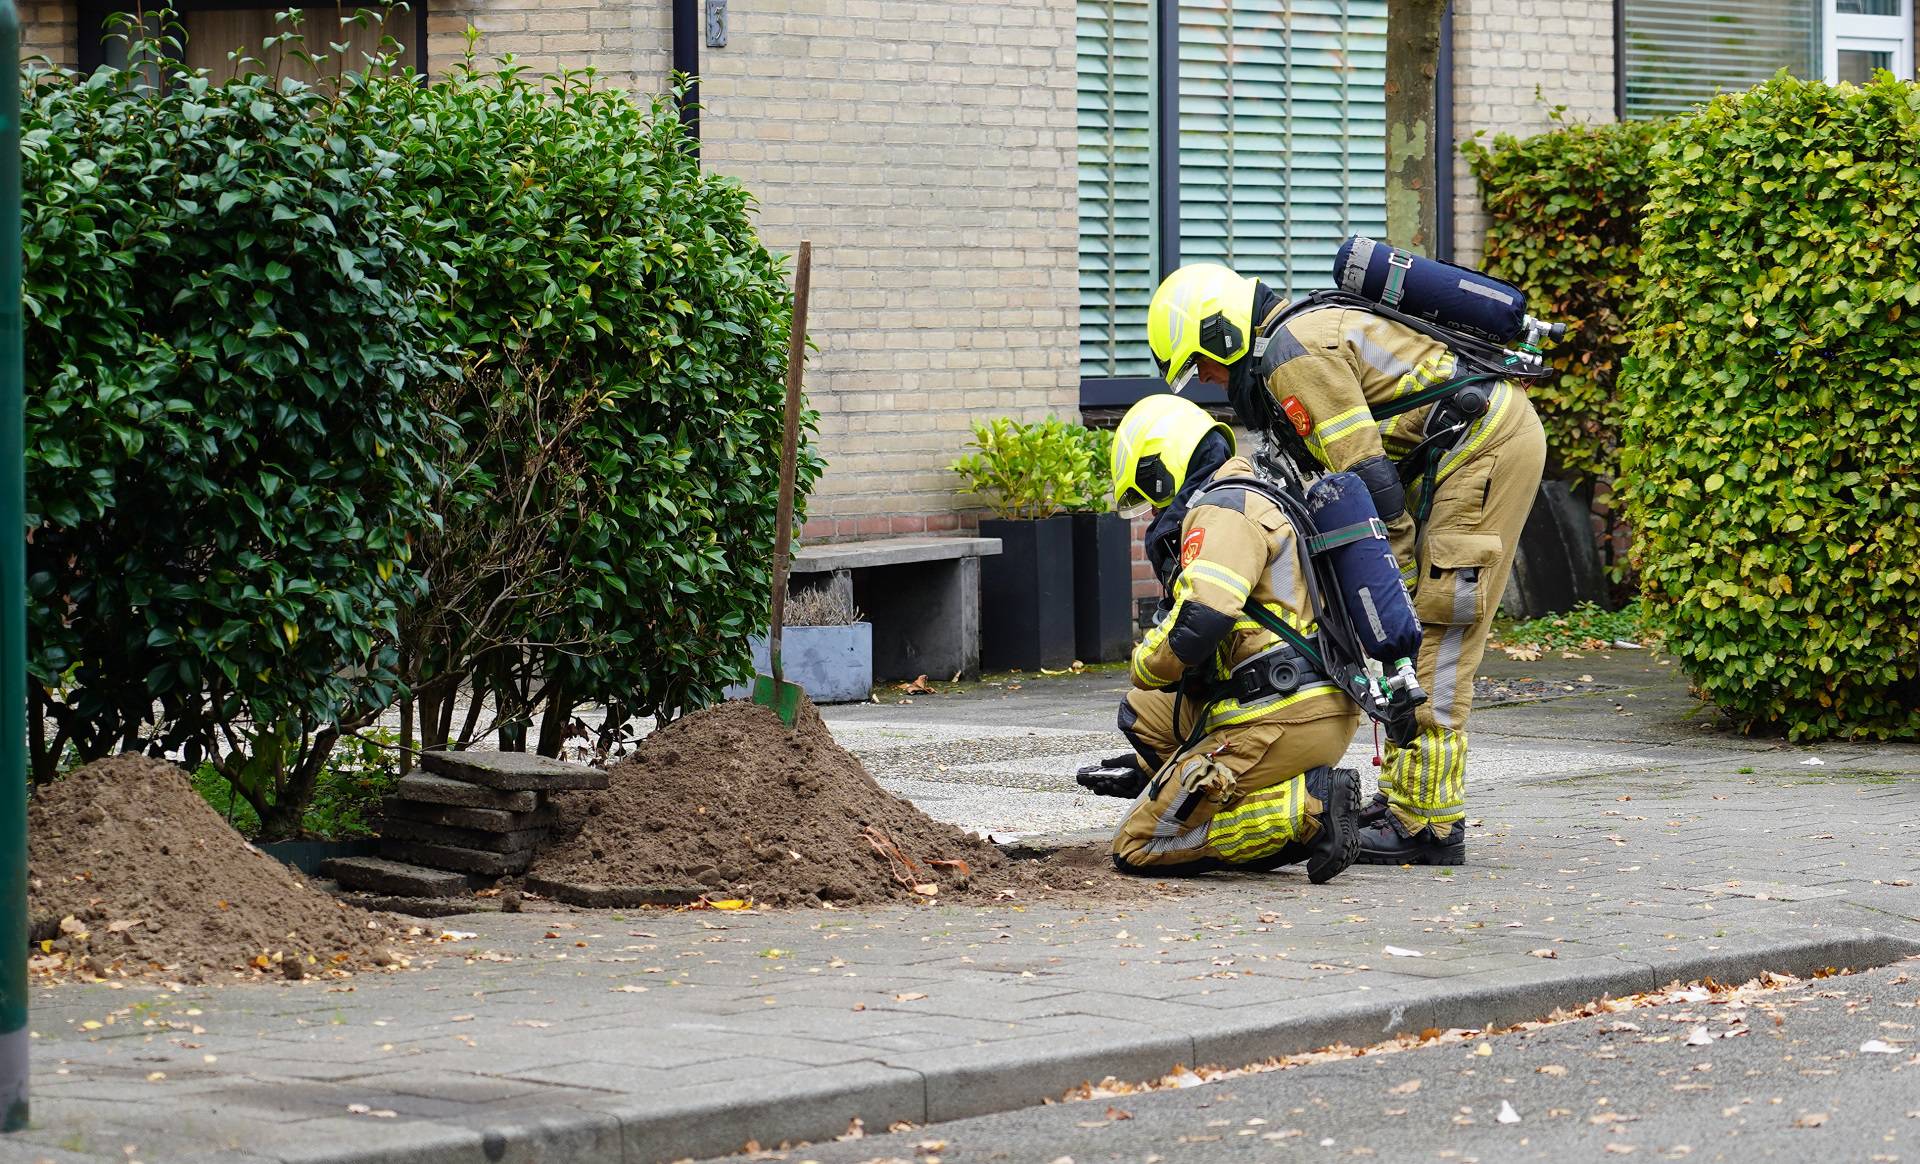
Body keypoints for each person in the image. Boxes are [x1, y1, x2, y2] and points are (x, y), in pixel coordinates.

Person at [1142, 262, 1546, 866]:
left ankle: (1426, 826)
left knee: (1438, 621)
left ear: (1224, 333)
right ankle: (1409, 804)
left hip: (1486, 447)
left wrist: (1397, 580)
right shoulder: (1300, 335)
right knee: (1418, 624)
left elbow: (1367, 477)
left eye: (1203, 362)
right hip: (1466, 446)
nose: (1207, 379)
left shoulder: (1293, 354)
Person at [1087, 393, 1364, 882]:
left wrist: (1144, 659)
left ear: (1162, 468)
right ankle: (1180, 782)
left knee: (1137, 845)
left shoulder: (1223, 510)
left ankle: (1309, 807)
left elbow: (1202, 620)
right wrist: (1145, 768)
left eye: (1151, 496)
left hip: (1276, 715)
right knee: (1142, 712)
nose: (1154, 512)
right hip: (1304, 699)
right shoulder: (1254, 490)